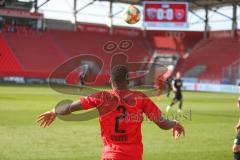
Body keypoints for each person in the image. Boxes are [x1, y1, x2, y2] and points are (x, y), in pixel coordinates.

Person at [37, 65, 185, 160]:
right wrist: (175, 123)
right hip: (133, 155)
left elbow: (70, 107)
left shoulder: (101, 97)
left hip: (111, 155)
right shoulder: (141, 98)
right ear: (128, 80)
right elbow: (162, 124)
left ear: (110, 80)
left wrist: (54, 111)